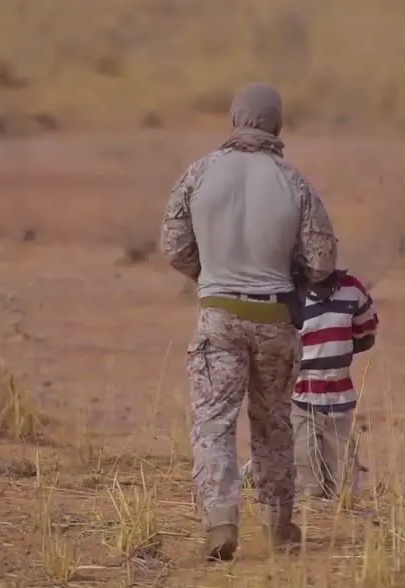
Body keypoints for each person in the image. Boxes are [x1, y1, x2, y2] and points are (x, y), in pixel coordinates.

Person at [161, 83, 338, 561]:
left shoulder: (198, 174)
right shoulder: (294, 182)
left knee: (213, 425)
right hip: (275, 318)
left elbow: (174, 246)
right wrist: (293, 274)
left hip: (219, 318)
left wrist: (212, 277)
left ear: (234, 119)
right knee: (273, 424)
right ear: (277, 124)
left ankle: (220, 521)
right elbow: (323, 258)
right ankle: (279, 526)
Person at [288, 268, 378, 500]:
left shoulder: (352, 289)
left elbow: (366, 332)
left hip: (340, 402)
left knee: (345, 486)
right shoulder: (290, 292)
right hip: (300, 401)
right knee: (307, 483)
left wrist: (335, 353)